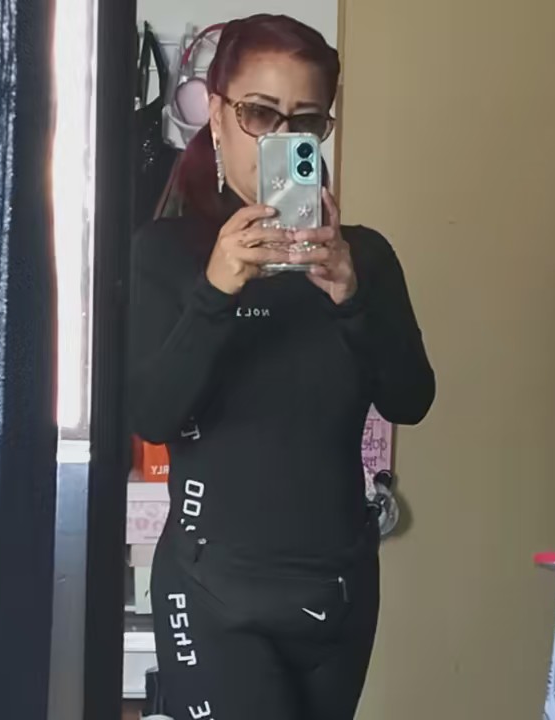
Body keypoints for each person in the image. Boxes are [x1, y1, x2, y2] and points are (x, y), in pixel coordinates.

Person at [128, 13, 435, 720]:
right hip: (213, 593)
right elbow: (153, 414)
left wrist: (354, 301)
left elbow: (411, 399)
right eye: (260, 113)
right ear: (217, 115)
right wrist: (215, 292)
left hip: (339, 590)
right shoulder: (165, 254)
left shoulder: (364, 258)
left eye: (305, 120)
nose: (280, 136)